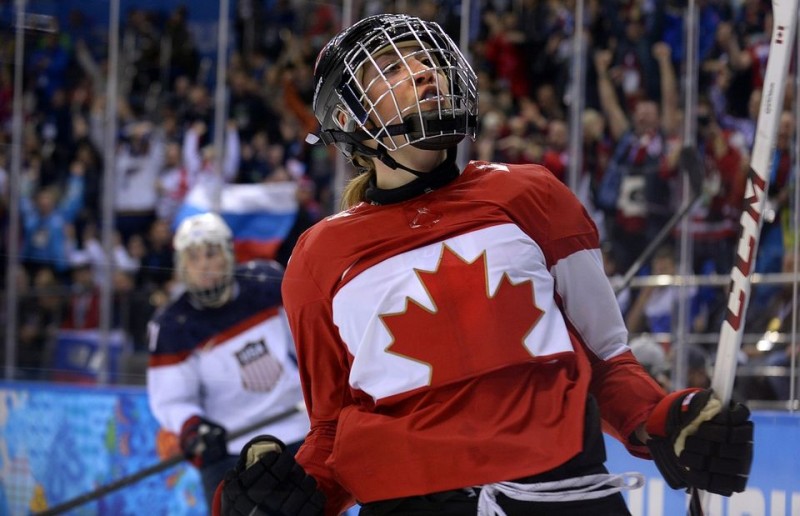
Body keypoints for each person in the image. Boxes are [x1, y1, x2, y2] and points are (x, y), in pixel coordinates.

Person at [214, 14, 753, 516]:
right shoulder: (317, 257)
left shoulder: (530, 193)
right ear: (351, 120)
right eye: (396, 67)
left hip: (560, 495)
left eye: (427, 62)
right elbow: (332, 429)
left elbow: (607, 361)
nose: (424, 72)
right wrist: (279, 498)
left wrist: (666, 421)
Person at [146, 212, 309, 510]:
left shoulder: (266, 281)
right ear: (182, 267)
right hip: (232, 450)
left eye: (211, 253)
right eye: (193, 258)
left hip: (299, 432)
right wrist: (193, 429)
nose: (204, 264)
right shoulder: (173, 325)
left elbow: (308, 344)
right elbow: (170, 398)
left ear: (229, 254)